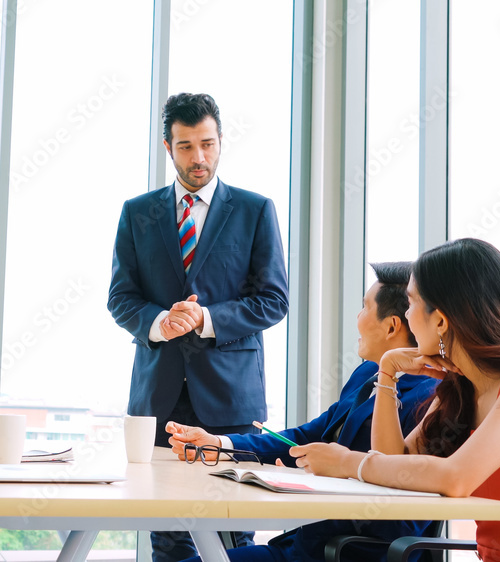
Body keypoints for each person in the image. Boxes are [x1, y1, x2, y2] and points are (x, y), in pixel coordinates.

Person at [291, 238, 500, 562]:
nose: (407, 314)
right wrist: (388, 371)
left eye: (411, 302)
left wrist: (348, 462)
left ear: (440, 320)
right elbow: (395, 462)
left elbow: (456, 478)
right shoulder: (461, 389)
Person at [108, 92, 289, 562]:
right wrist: (160, 323)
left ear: (221, 141)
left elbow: (274, 300)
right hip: (159, 399)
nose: (199, 157)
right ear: (168, 148)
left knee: (233, 538)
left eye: (207, 143)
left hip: (230, 400)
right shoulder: (137, 213)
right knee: (166, 537)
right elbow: (120, 298)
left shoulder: (254, 210)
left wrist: (206, 318)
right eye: (186, 146)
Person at [167, 262, 440, 562]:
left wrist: (327, 481)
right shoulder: (366, 376)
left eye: (364, 307)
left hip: (343, 553)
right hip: (305, 543)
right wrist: (220, 443)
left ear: (391, 326)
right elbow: (306, 437)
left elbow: (405, 515)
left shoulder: (428, 398)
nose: (357, 317)